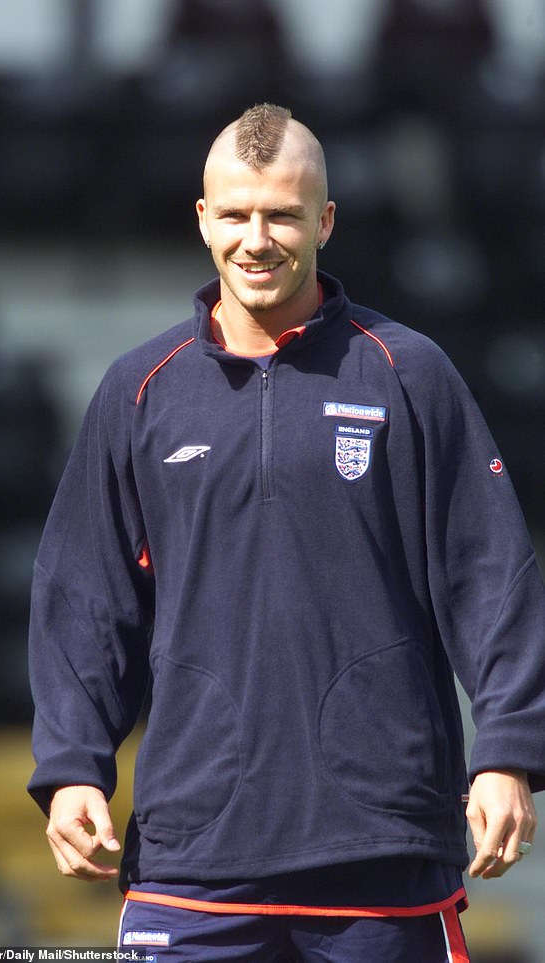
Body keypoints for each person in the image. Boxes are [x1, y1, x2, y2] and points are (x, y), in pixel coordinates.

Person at [28, 103, 545, 962]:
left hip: (383, 854)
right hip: (189, 863)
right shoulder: (139, 390)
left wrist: (509, 751)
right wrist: (74, 766)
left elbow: (490, 576)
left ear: (325, 221)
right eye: (235, 214)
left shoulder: (408, 372)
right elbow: (85, 597)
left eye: (283, 214)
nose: (256, 238)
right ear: (202, 219)